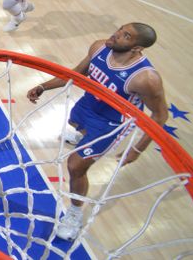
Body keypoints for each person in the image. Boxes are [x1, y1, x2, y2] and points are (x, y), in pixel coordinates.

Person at [26, 23, 168, 240]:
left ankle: (74, 214)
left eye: (126, 35)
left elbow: (160, 115)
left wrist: (138, 149)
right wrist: (44, 86)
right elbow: (75, 75)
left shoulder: (145, 78)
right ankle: (83, 138)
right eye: (120, 29)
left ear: (137, 48)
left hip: (111, 124)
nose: (117, 34)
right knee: (76, 125)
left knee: (75, 166)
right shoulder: (99, 47)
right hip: (89, 105)